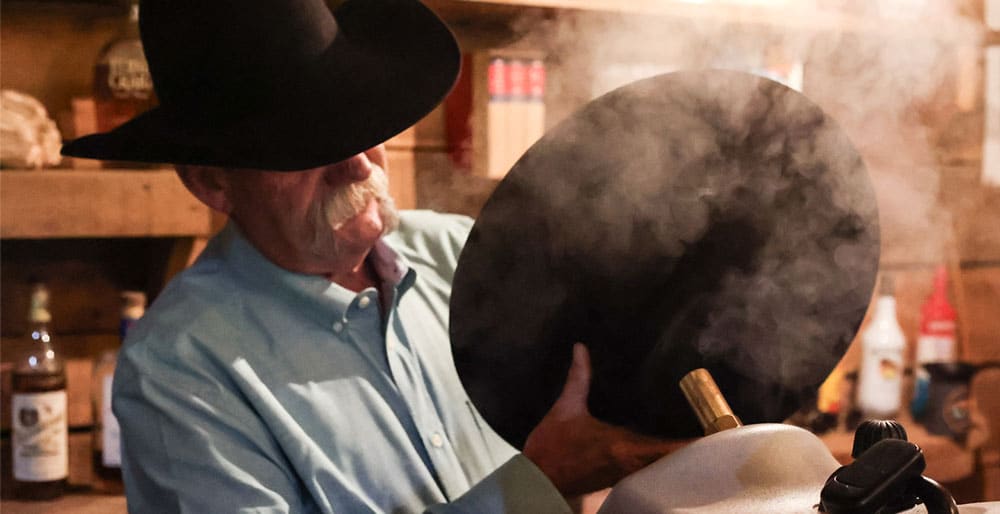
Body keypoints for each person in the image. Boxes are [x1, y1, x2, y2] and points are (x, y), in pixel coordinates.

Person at [62, 0, 684, 512]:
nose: (358, 163)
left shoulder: (463, 251)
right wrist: (542, 476)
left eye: (361, 126)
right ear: (212, 182)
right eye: (309, 145)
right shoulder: (180, 372)